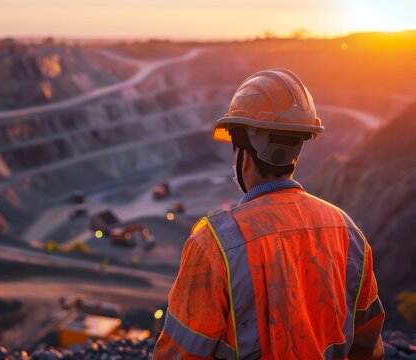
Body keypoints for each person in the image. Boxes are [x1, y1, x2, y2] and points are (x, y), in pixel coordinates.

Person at [153, 69, 384, 359]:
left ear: (244, 155)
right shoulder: (347, 232)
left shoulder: (214, 245)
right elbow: (368, 345)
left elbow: (178, 354)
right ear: (297, 152)